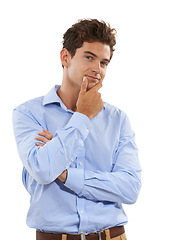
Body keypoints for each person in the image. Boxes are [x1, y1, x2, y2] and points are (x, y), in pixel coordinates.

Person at [13, 19, 141, 240]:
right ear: (66, 57)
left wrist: (65, 174)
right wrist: (82, 117)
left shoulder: (118, 119)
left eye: (104, 62)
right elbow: (43, 170)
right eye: (89, 57)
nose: (97, 69)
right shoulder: (28, 113)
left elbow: (130, 188)